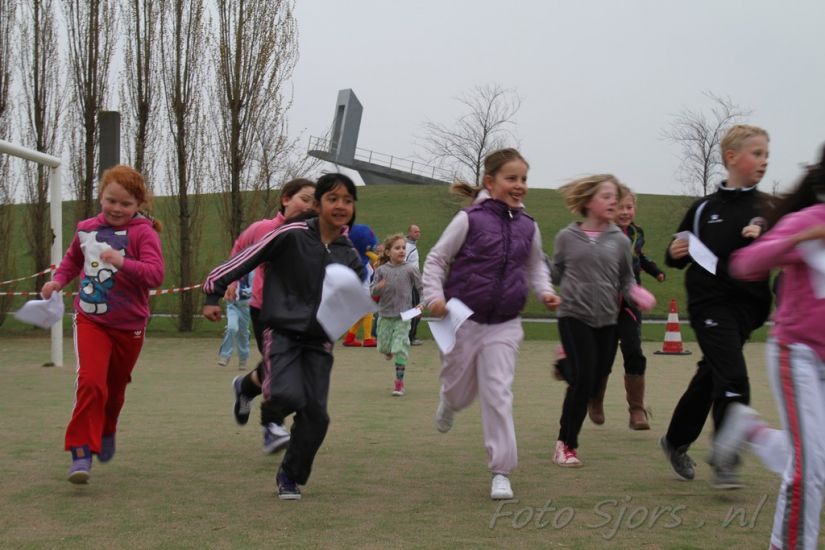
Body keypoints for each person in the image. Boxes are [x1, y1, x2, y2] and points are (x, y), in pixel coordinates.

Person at [202, 173, 363, 500]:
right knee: (286, 393)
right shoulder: (292, 233)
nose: (341, 206)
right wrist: (213, 291)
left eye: (347, 200)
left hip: (319, 341)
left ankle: (290, 476)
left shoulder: (349, 254)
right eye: (333, 199)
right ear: (318, 204)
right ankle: (264, 409)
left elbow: (355, 297)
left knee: (317, 416)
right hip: (282, 331)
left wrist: (369, 296)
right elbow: (246, 257)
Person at [423, 148, 560, 501]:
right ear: (490, 181)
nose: (519, 185)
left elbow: (535, 266)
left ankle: (501, 471)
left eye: (524, 179)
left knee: (498, 391)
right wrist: (433, 296)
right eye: (511, 178)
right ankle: (448, 401)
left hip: (505, 323)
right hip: (463, 320)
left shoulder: (529, 226)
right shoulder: (469, 219)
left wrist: (545, 291)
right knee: (459, 393)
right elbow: (436, 259)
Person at [711, 148, 825, 550]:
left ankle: (751, 429)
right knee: (809, 470)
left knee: (816, 459)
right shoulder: (808, 221)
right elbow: (745, 263)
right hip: (799, 353)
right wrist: (798, 238)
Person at [659, 124, 773, 489]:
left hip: (747, 310)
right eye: (757, 153)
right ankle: (726, 457)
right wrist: (673, 251)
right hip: (709, 304)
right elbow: (677, 252)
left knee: (712, 375)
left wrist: (765, 237)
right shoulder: (703, 208)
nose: (764, 161)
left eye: (767, 155)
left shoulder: (768, 208)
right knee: (733, 376)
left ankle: (675, 440)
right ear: (731, 157)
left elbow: (783, 248)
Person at [41, 165, 164, 484]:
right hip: (91, 319)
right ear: (101, 196)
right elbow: (72, 261)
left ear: (138, 205)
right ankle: (81, 451)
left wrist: (122, 262)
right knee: (91, 382)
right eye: (111, 200)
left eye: (126, 204)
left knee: (115, 388)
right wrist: (57, 282)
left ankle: (107, 429)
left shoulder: (144, 233)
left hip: (129, 324)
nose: (117, 209)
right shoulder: (86, 229)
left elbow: (155, 275)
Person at [551, 175, 655, 468]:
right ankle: (566, 444)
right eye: (606, 197)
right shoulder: (566, 237)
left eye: (615, 197)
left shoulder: (620, 241)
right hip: (573, 315)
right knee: (584, 379)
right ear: (588, 201)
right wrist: (537, 263)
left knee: (595, 380)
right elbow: (557, 273)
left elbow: (626, 279)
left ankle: (564, 364)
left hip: (607, 319)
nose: (613, 202)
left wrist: (635, 293)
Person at [227, 178, 316, 454]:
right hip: (266, 310)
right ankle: (272, 427)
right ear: (286, 199)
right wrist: (232, 281)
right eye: (304, 199)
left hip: (303, 315)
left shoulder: (315, 233)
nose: (309, 206)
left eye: (315, 203)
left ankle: (246, 387)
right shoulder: (263, 229)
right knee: (280, 368)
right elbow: (240, 249)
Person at [607, 186, 666, 430]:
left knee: (633, 350)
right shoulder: (601, 233)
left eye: (629, 207)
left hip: (630, 303)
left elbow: (639, 257)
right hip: (603, 303)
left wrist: (655, 271)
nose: (624, 212)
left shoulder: (636, 233)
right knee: (603, 355)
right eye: (619, 207)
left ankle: (636, 410)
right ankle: (595, 398)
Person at [371, 233, 423, 396]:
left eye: (403, 248)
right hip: (385, 315)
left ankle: (399, 383)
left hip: (404, 315)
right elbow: (371, 291)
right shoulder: (381, 270)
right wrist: (378, 287)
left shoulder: (411, 269)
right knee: (384, 347)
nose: (402, 251)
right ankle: (388, 350)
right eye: (397, 248)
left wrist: (422, 304)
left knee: (400, 347)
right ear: (388, 252)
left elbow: (422, 289)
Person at [342, 224, 379, 347]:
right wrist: (371, 253)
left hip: (362, 289)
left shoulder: (362, 259)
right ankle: (368, 338)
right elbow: (379, 260)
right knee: (368, 311)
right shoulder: (361, 260)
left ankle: (350, 338)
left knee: (362, 314)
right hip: (362, 290)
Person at [217, 271, 252, 369]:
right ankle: (224, 355)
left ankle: (243, 358)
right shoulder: (233, 269)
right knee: (232, 328)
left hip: (245, 307)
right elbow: (224, 283)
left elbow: (253, 289)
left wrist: (237, 291)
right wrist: (226, 291)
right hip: (232, 306)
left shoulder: (251, 271)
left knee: (243, 333)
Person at [405, 224, 423, 345]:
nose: (418, 234)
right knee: (416, 309)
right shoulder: (407, 247)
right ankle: (410, 337)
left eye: (419, 231)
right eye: (415, 232)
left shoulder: (412, 246)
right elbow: (403, 263)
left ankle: (409, 336)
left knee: (415, 310)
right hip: (411, 283)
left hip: (414, 281)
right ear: (409, 233)